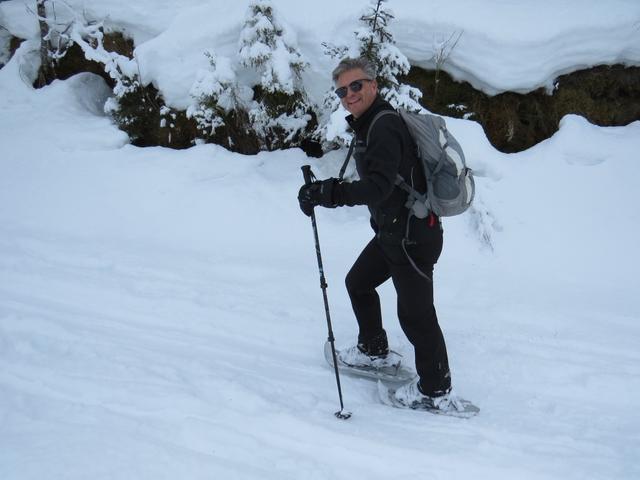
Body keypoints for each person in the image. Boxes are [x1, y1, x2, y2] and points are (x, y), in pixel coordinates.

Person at [298, 57, 455, 410]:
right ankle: (373, 351)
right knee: (359, 282)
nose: (349, 95)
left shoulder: (382, 126)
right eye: (342, 90)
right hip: (393, 232)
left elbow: (378, 188)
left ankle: (435, 390)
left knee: (416, 315)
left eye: (355, 86)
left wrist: (330, 194)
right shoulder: (371, 124)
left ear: (373, 85)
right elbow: (383, 183)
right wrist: (328, 190)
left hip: (413, 237)